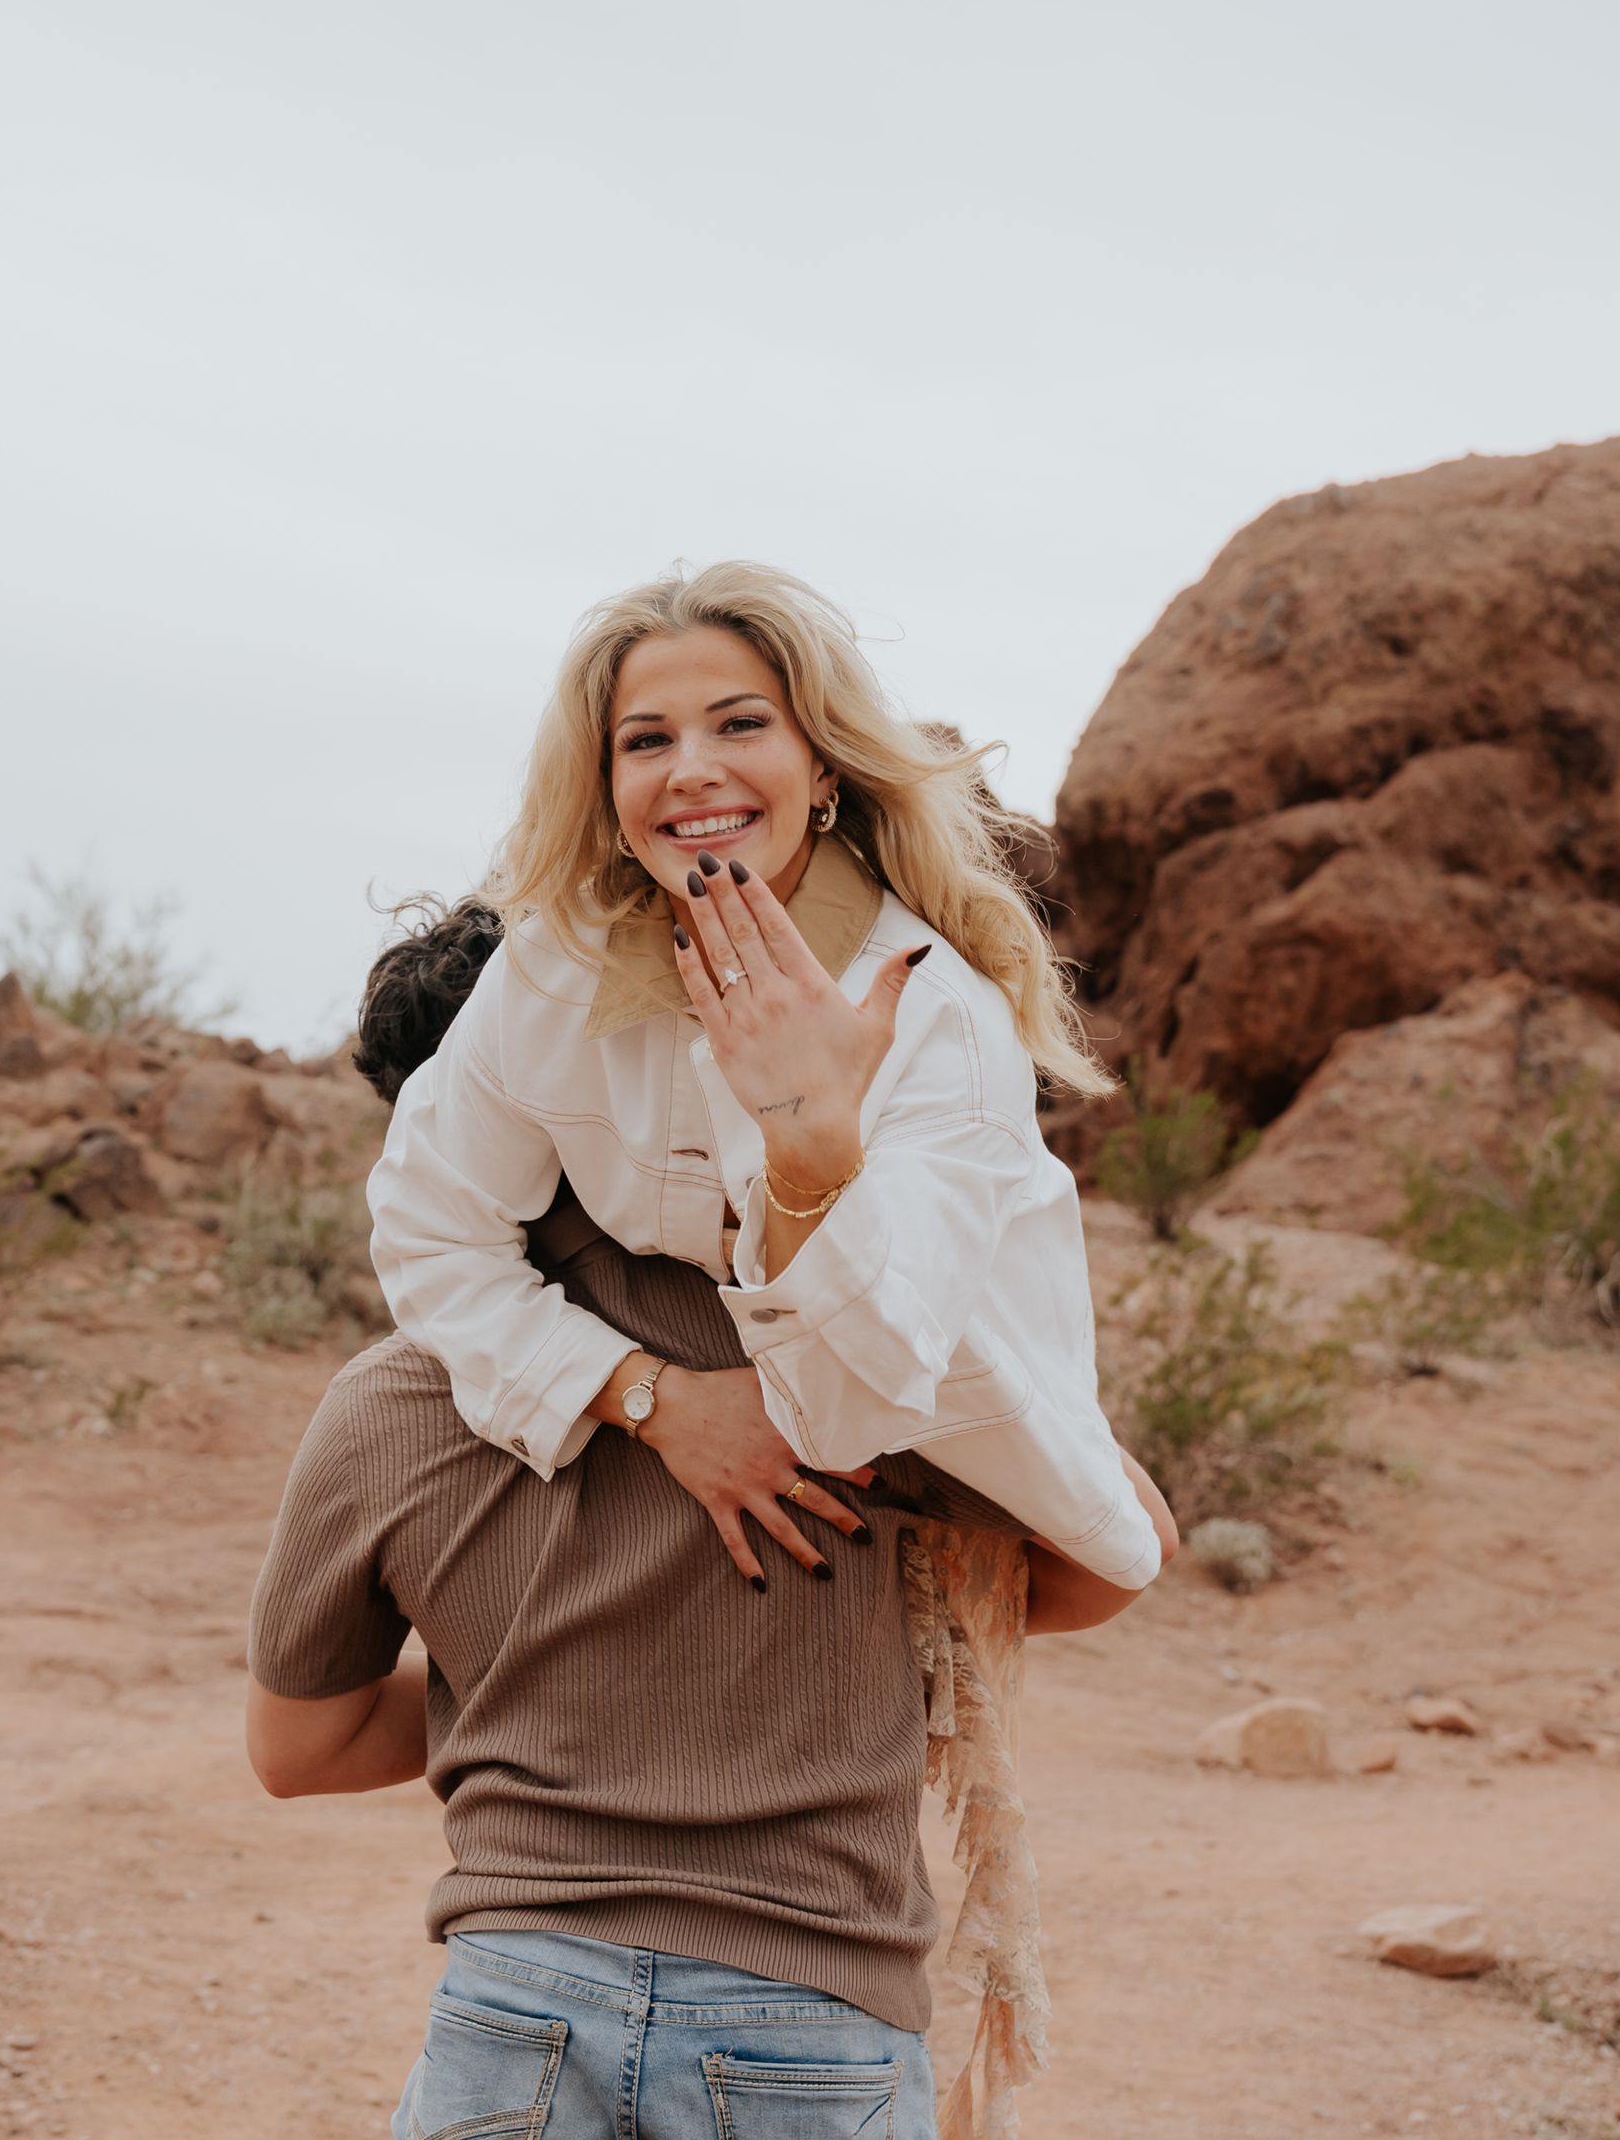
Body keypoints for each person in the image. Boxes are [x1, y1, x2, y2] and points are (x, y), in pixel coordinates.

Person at [248, 903, 1179, 2140]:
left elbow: (297, 1749)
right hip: (811, 2007)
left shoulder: (389, 1401)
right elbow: (1122, 1547)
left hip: (517, 2004)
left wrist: (524, 1682)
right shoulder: (833, 1340)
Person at [366, 560, 1162, 1596]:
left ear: (824, 767)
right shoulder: (548, 967)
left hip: (947, 1380)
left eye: (741, 724)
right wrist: (650, 1397)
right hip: (689, 1373)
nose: (691, 769)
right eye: (647, 739)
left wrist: (808, 1144)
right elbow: (428, 1224)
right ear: (608, 788)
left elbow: (855, 1404)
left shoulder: (935, 1011)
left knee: (1123, 1556)